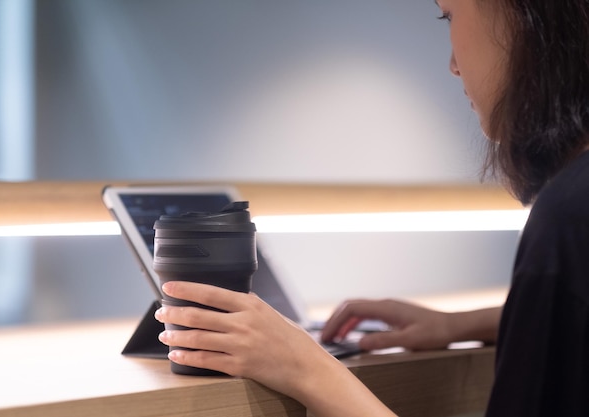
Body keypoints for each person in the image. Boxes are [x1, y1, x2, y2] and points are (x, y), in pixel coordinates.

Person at [155, 0, 589, 415]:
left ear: (528, 15)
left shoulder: (568, 218)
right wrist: (465, 324)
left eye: (448, 15)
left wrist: (306, 369)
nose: (453, 64)